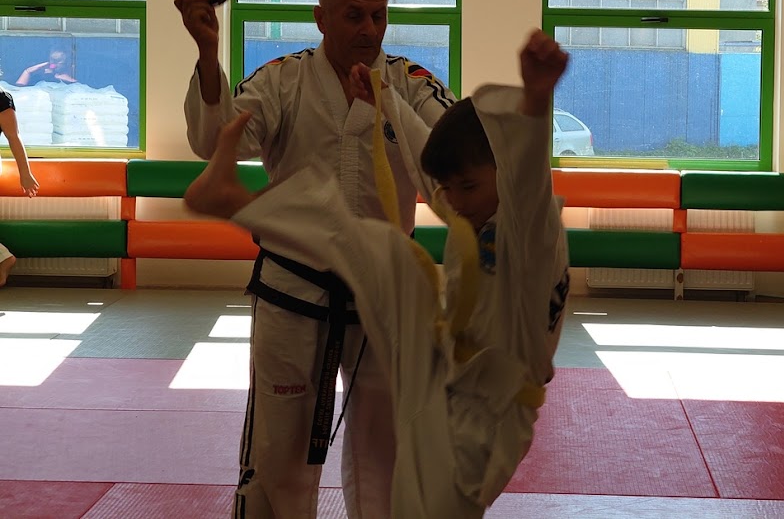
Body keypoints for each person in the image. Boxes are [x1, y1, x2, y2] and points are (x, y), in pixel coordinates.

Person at [184, 28, 571, 519]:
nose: (452, 200)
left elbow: (528, 173)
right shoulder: (478, 211)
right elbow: (426, 152)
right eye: (448, 189)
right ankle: (237, 201)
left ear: (505, 169)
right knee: (389, 253)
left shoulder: (530, 227)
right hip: (444, 370)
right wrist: (386, 101)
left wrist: (537, 99)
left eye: (466, 187)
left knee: (423, 508)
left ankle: (238, 203)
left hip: (491, 413)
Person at [174, 0, 455, 519]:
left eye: (378, 16)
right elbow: (213, 140)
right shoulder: (283, 79)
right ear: (321, 18)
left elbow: (450, 160)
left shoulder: (411, 82)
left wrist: (389, 106)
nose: (369, 29)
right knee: (277, 457)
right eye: (354, 16)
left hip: (383, 298)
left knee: (386, 459)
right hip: (293, 292)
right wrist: (208, 54)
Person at [0, 86, 42, 287]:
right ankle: (3, 257)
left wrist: (25, 173)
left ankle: (4, 258)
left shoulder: (2, 98)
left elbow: (13, 136)